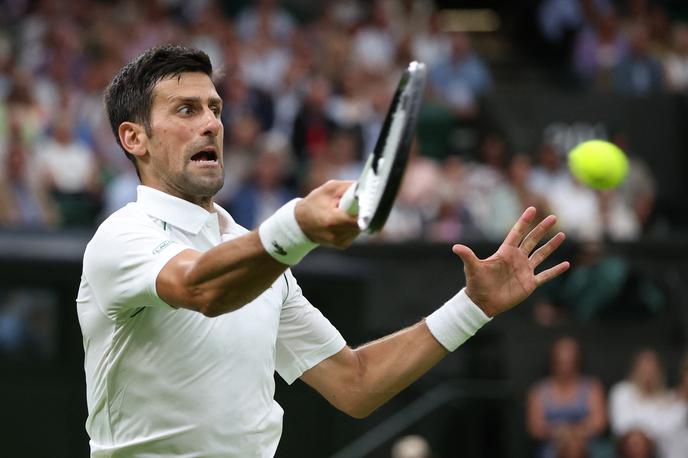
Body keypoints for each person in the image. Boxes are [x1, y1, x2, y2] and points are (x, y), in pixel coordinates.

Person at [77, 45, 569, 457]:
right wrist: (295, 226)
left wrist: (473, 307)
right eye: (186, 109)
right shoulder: (122, 237)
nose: (211, 124)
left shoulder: (261, 261)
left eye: (215, 109)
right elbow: (199, 287)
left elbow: (355, 383)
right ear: (133, 138)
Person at [527, 336, 607, 458]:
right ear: (552, 361)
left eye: (571, 361)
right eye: (561, 362)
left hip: (587, 445)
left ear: (578, 361)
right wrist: (560, 434)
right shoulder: (539, 390)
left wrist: (575, 434)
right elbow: (535, 428)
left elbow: (599, 423)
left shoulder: (592, 387)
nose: (566, 366)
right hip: (552, 446)